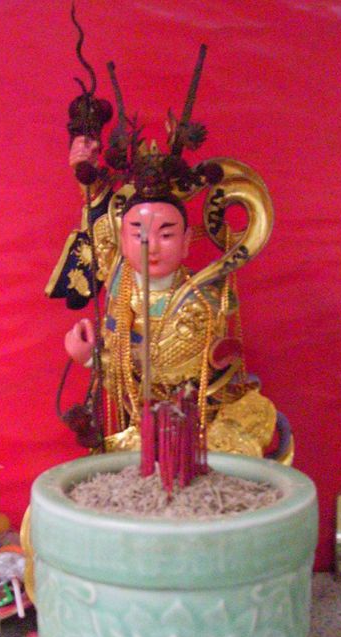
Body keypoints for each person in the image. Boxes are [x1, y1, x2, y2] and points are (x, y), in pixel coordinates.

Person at [48, 41, 291, 463]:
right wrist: (88, 359)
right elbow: (95, 213)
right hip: (135, 425)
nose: (149, 245)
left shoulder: (201, 298)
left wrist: (103, 359)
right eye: (137, 232)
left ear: (186, 241)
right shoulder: (120, 282)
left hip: (194, 424)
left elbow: (170, 370)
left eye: (165, 233)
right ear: (122, 237)